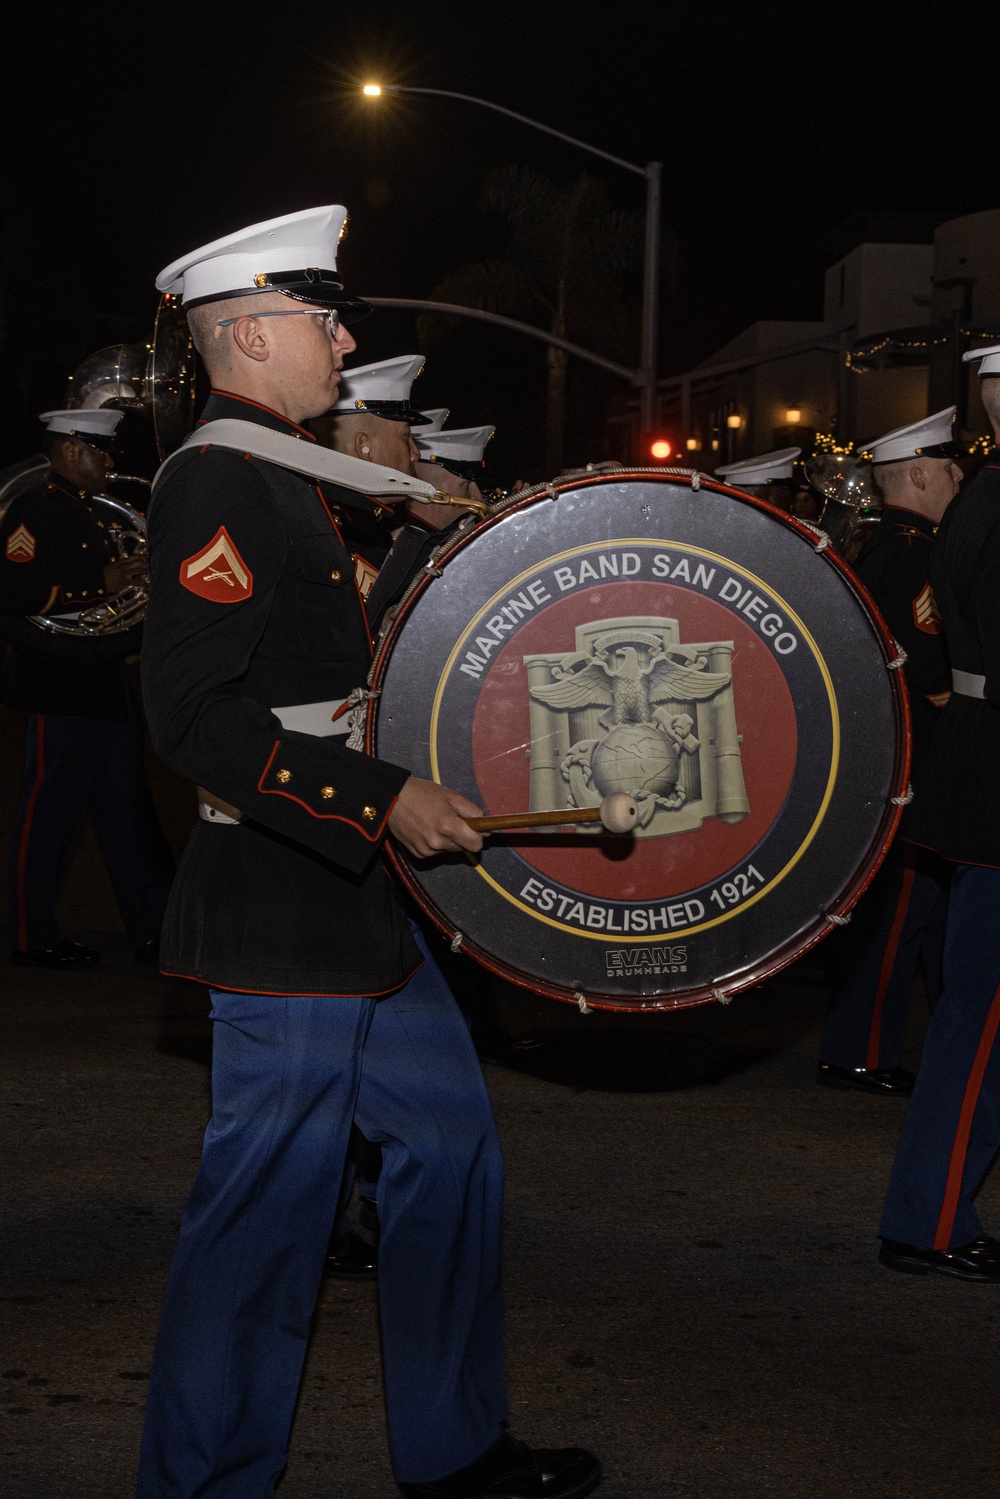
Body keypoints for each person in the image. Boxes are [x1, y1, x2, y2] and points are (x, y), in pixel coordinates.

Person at [137, 204, 601, 1498]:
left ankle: (451, 1445)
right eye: (322, 313)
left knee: (452, 1147)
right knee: (265, 1218)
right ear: (251, 329)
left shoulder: (286, 468)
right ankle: (205, 1480)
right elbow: (189, 715)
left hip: (356, 906)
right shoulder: (218, 479)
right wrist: (382, 794)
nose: (343, 334)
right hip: (279, 901)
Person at [877, 350, 1000, 1280]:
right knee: (981, 1013)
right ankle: (929, 1215)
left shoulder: (980, 497)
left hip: (980, 765)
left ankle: (931, 1207)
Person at [818, 410, 961, 1096]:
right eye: (950, 468)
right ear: (917, 474)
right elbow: (927, 663)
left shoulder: (886, 542)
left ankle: (902, 1042)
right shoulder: (912, 550)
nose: (959, 478)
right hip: (917, 755)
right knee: (900, 911)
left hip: (895, 750)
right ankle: (858, 1049)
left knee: (921, 910)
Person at [0, 406, 174, 967]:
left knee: (128, 815)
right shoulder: (34, 511)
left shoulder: (94, 516)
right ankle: (31, 935)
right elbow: (14, 595)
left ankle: (154, 929)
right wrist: (99, 583)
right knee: (50, 814)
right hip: (58, 686)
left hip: (106, 683)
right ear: (72, 452)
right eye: (100, 453)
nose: (108, 463)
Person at [309, 354, 431, 601]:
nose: (416, 454)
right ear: (365, 448)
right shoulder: (340, 536)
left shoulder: (365, 528)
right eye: (405, 437)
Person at [366, 421, 496, 638]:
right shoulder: (400, 543)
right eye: (465, 485)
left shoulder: (425, 541)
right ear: (430, 490)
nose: (477, 497)